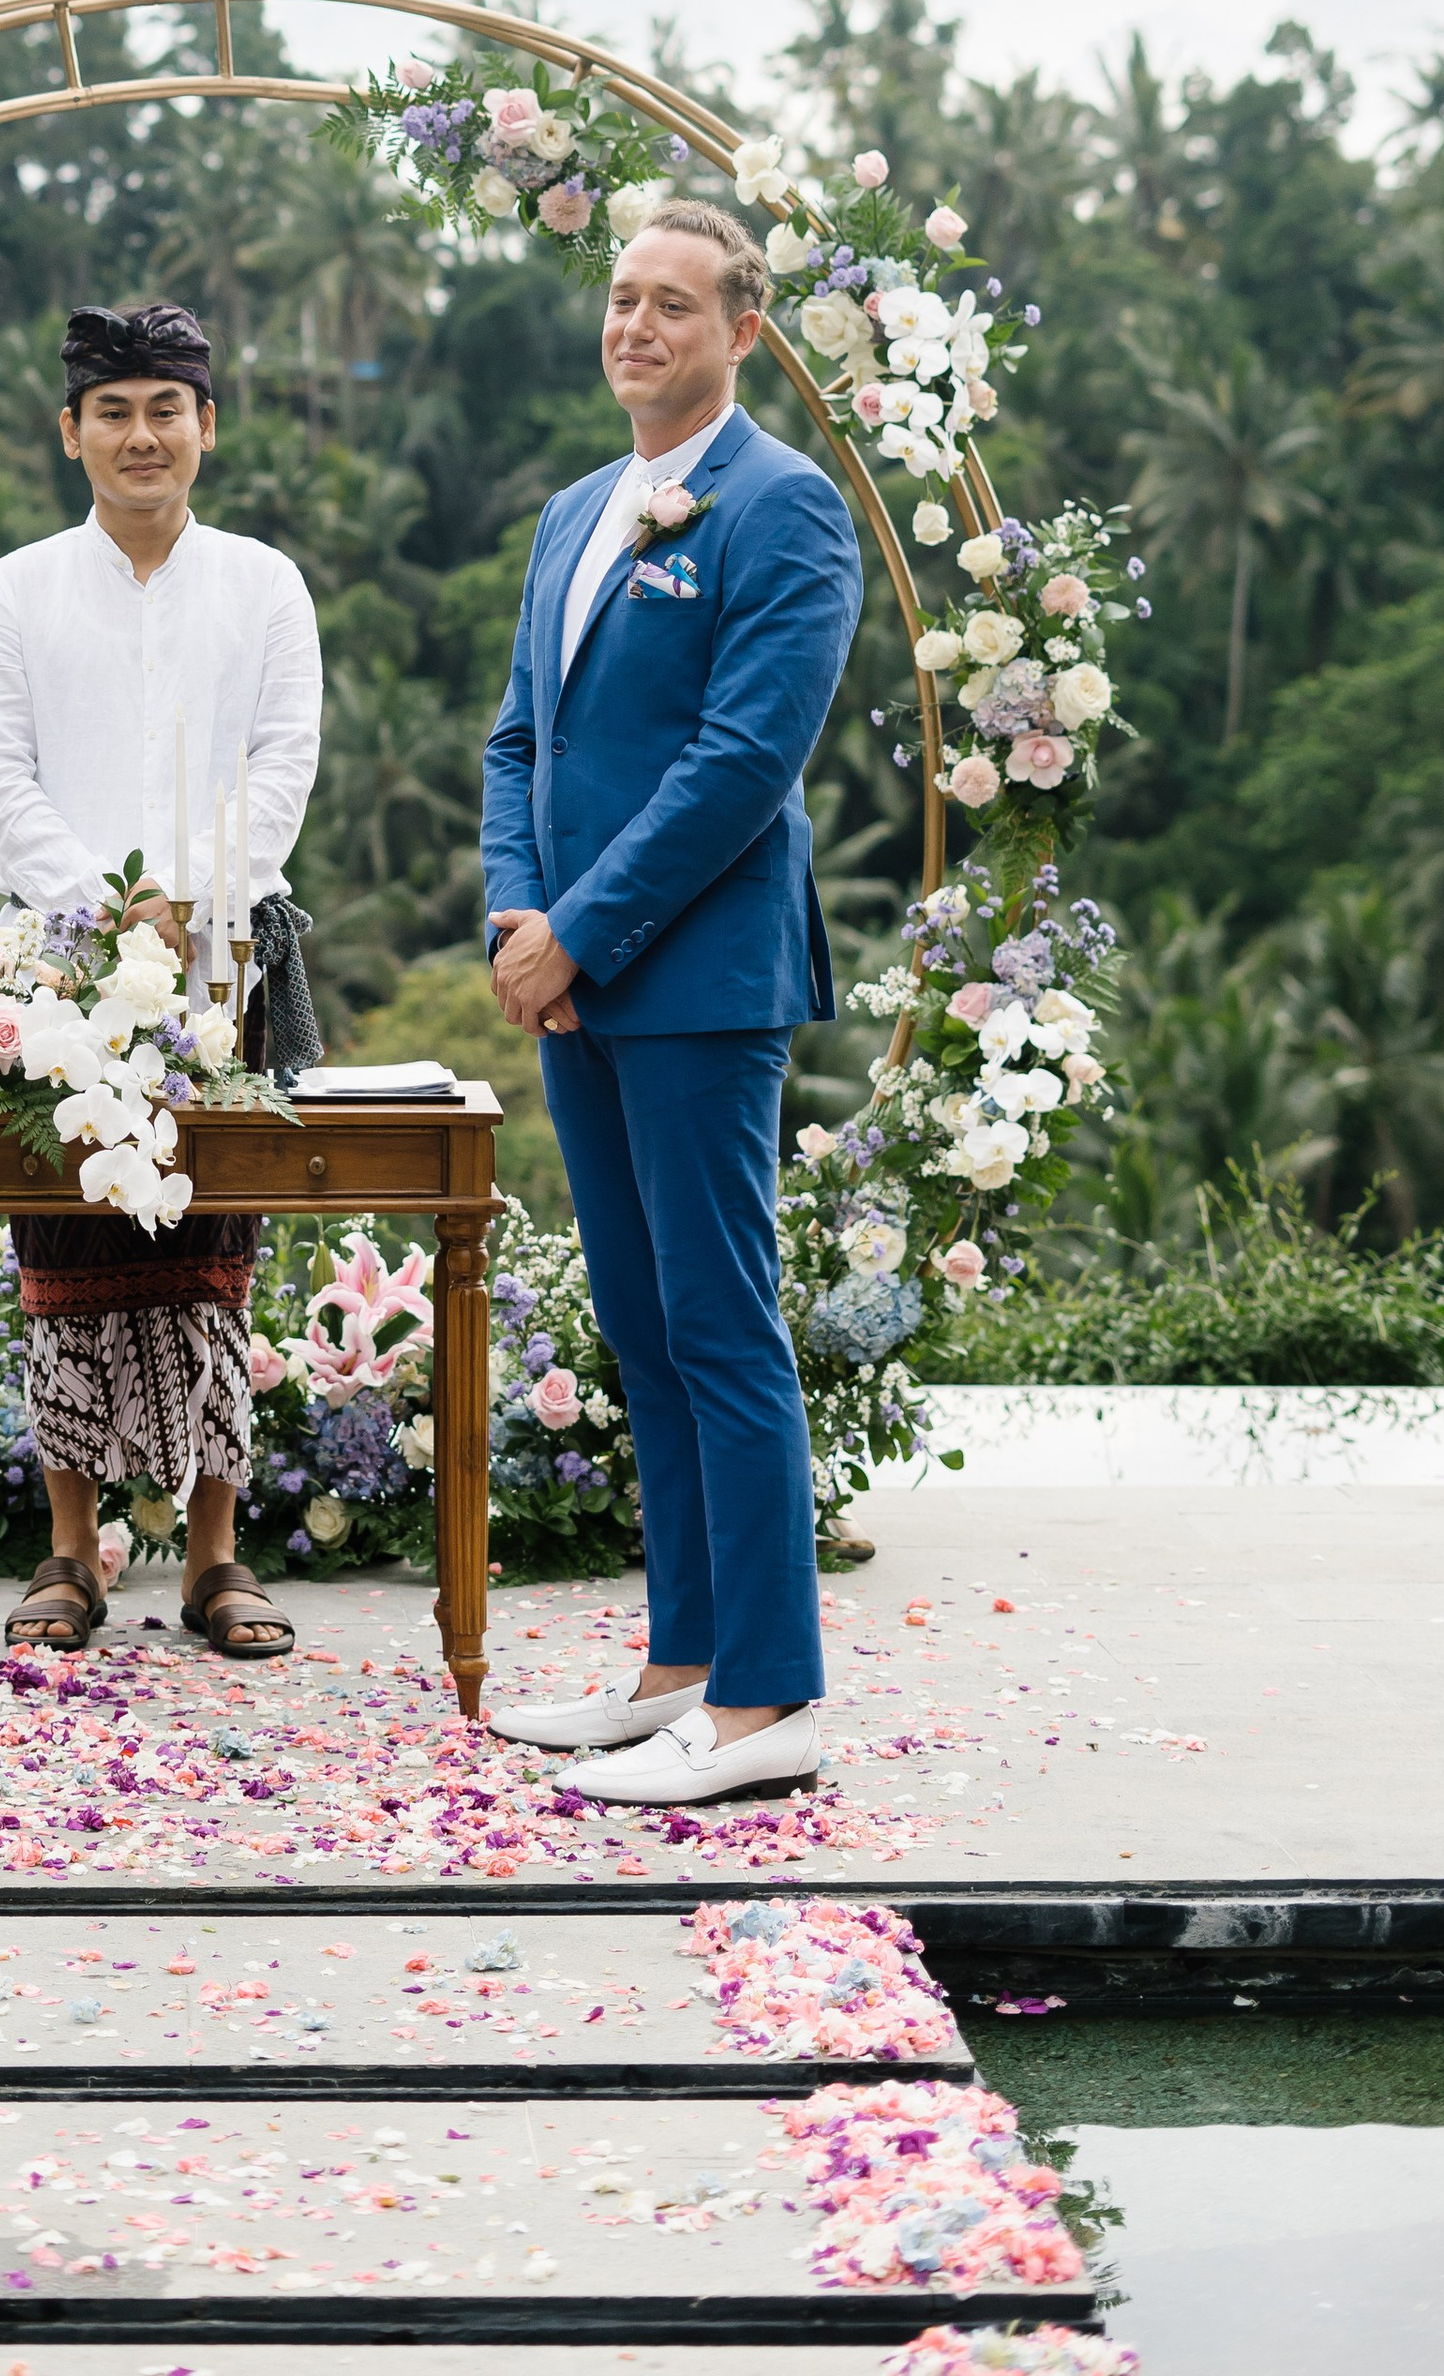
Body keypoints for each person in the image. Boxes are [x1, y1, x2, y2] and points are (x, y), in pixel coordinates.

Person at [476, 201, 860, 1804]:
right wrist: (516, 915)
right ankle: (678, 1669)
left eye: (674, 306)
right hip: (574, 982)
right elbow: (519, 743)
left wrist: (582, 931)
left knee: (720, 1323)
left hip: (696, 984)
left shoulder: (790, 512)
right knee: (640, 1323)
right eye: (623, 299)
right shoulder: (576, 512)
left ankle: (770, 1701)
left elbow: (737, 772)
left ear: (742, 332)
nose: (637, 326)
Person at [0, 299, 322, 1666]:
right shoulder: (17, 589)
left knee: (215, 1244)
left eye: (166, 407)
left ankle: (218, 1562)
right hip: (53, 962)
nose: (141, 434)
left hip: (228, 959)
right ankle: (70, 1551)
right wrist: (108, 911)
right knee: (61, 1237)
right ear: (71, 433)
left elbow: (284, 762)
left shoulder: (266, 584)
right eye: (113, 410)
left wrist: (193, 906)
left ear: (206, 427)